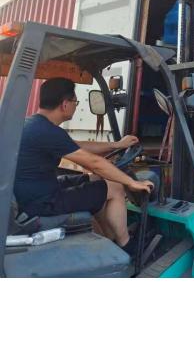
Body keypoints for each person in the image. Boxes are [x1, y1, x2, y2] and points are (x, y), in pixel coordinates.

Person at [14, 77, 154, 255]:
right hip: (42, 203)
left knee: (96, 179)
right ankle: (126, 245)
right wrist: (132, 182)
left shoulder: (35, 124)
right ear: (65, 104)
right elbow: (94, 163)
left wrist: (116, 145)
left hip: (35, 193)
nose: (75, 106)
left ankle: (108, 238)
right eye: (75, 101)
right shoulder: (47, 131)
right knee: (115, 187)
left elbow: (77, 146)